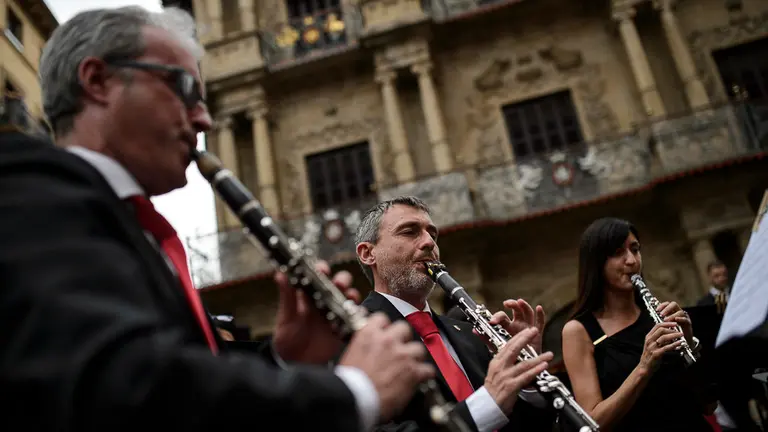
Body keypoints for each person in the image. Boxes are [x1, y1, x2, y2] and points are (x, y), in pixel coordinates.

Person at [0, 6, 434, 431]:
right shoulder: (25, 192)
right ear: (98, 81)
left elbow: (183, 367)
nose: (204, 119)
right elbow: (124, 384)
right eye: (185, 88)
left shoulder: (119, 224)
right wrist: (353, 392)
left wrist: (285, 358)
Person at [348, 196, 556, 432]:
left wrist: (527, 378)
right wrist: (485, 406)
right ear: (368, 253)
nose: (429, 243)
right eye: (409, 232)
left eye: (432, 234)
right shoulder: (352, 334)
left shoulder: (469, 333)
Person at [561, 217, 716, 432]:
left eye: (635, 249)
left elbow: (710, 406)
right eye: (618, 253)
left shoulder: (659, 315)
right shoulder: (579, 331)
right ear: (596, 263)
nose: (632, 260)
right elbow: (592, 423)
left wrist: (690, 345)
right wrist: (643, 368)